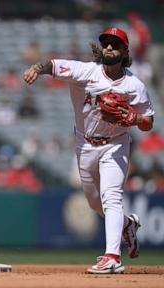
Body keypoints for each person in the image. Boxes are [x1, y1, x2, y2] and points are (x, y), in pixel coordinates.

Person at [23, 27, 154, 274]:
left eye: (115, 44)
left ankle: (112, 257)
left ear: (125, 51)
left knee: (111, 195)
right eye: (105, 43)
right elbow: (52, 64)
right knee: (95, 204)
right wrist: (36, 69)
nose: (108, 48)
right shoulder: (85, 72)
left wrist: (135, 119)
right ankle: (128, 225)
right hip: (85, 144)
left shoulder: (134, 85)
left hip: (116, 144)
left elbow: (149, 122)